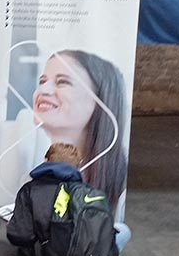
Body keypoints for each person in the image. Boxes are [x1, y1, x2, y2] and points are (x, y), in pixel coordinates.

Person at [33, 50, 128, 212]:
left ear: (100, 99)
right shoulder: (28, 174)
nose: (44, 90)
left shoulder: (115, 185)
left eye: (62, 82)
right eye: (42, 81)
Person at [7, 143, 131, 256]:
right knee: (124, 230)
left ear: (46, 161)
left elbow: (20, 237)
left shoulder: (29, 190)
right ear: (77, 167)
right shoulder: (85, 191)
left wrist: (12, 225)